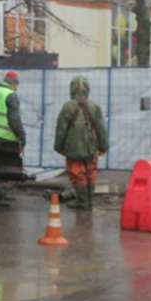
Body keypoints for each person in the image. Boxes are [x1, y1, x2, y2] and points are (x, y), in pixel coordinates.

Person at [53, 75, 109, 210]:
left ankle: (82, 202)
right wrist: (103, 146)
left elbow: (61, 129)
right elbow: (101, 128)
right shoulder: (94, 106)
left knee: (78, 174)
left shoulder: (67, 107)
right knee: (91, 173)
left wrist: (58, 146)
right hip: (92, 148)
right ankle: (89, 201)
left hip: (73, 148)